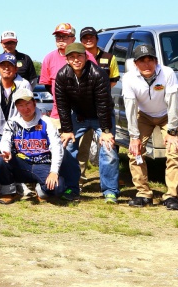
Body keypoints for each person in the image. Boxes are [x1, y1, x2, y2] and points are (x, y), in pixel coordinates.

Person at [54, 42, 119, 203]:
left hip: (101, 116)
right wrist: (67, 130)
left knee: (108, 147)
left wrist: (105, 130)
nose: (76, 60)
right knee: (67, 146)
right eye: (72, 57)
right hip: (79, 116)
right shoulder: (62, 76)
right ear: (67, 60)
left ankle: (110, 191)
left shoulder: (98, 74)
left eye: (79, 56)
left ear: (86, 56)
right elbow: (62, 105)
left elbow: (103, 103)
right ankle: (72, 188)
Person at [123, 44, 178, 210]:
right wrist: (134, 137)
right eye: (142, 61)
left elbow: (172, 102)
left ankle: (171, 195)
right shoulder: (128, 78)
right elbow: (130, 108)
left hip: (167, 115)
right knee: (134, 152)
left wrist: (172, 131)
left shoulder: (167, 73)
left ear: (157, 61)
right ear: (135, 63)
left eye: (151, 60)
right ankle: (143, 193)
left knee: (174, 151)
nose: (147, 64)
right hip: (143, 115)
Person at [0, 88, 80, 204]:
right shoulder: (12, 122)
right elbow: (5, 140)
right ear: (16, 107)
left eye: (28, 104)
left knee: (58, 188)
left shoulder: (46, 121)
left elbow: (56, 147)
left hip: (42, 164)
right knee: (1, 159)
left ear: (34, 103)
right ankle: (9, 192)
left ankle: (40, 190)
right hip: (22, 163)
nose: (25, 109)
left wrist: (54, 171)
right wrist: (7, 151)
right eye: (21, 105)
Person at [77, 26, 121, 183]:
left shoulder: (109, 57)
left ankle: (108, 184)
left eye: (91, 37)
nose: (88, 40)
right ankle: (79, 180)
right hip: (83, 110)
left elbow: (114, 79)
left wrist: (98, 90)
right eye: (85, 38)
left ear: (97, 39)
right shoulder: (79, 57)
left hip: (103, 108)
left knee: (108, 147)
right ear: (81, 40)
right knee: (82, 147)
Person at [38, 23, 96, 128]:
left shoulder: (87, 56)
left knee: (82, 145)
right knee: (59, 144)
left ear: (73, 39)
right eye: (58, 36)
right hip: (58, 114)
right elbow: (48, 85)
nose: (60, 39)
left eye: (64, 36)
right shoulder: (49, 58)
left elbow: (95, 82)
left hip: (84, 115)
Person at [0, 54, 31, 157]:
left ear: (16, 68)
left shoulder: (24, 84)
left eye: (10, 65)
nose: (6, 68)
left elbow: (28, 111)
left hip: (18, 134)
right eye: (3, 65)